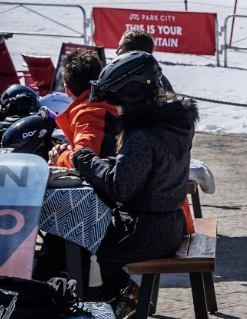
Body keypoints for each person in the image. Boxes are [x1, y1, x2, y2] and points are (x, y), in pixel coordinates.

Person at [71, 51, 198, 308]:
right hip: (168, 226)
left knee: (75, 243)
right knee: (80, 239)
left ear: (130, 95)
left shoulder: (143, 135)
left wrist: (82, 158)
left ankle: (112, 306)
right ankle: (126, 300)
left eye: (117, 102)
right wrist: (106, 164)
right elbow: (146, 171)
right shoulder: (171, 123)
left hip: (143, 231)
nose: (117, 109)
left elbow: (120, 188)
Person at [53, 48, 118, 159]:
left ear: (67, 90)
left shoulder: (90, 115)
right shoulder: (117, 100)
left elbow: (84, 161)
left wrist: (59, 157)